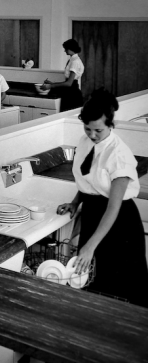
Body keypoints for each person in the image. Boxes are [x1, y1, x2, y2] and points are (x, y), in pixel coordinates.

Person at [57, 88, 148, 308]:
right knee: (89, 280)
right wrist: (75, 202)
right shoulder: (85, 141)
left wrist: (90, 246)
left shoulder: (119, 155)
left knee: (121, 289)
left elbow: (113, 207)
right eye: (87, 128)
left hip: (118, 223)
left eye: (98, 130)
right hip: (93, 213)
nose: (92, 134)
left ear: (111, 125)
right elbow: (89, 182)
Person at [41, 39, 84, 112]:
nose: (65, 51)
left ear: (70, 48)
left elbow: (69, 83)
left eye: (66, 49)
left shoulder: (75, 62)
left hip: (72, 95)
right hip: (69, 92)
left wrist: (50, 86)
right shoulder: (72, 60)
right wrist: (51, 83)